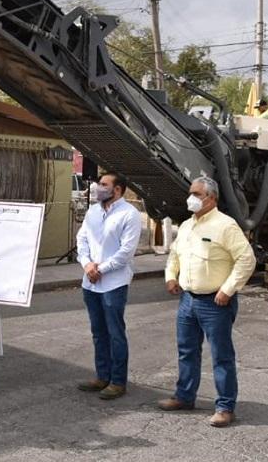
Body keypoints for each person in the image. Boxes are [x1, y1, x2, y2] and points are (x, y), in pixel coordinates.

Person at [158, 176, 256, 428]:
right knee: (186, 351)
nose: (191, 198)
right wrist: (171, 276)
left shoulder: (226, 225)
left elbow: (247, 260)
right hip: (188, 300)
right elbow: (175, 254)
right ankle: (184, 396)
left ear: (211, 198)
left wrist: (228, 289)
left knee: (221, 356)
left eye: (197, 194)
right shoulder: (188, 225)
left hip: (215, 303)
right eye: (191, 193)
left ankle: (225, 407)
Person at [76, 172, 142, 400]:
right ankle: (102, 376)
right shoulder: (93, 211)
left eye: (104, 185)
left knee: (115, 333)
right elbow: (81, 239)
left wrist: (100, 269)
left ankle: (117, 381)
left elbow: (125, 252)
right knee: (98, 332)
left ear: (117, 190)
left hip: (113, 283)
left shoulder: (129, 214)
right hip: (91, 282)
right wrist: (87, 265)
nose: (98, 187)